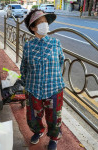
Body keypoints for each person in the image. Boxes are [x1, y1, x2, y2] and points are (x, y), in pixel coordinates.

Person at [20, 10, 65, 150]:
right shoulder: (28, 46)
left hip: (54, 87)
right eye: (40, 23)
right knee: (33, 116)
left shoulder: (55, 43)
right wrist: (27, 83)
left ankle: (53, 138)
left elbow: (61, 61)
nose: (44, 25)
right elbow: (24, 67)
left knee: (54, 117)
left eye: (45, 22)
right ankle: (38, 131)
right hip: (34, 88)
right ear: (33, 28)